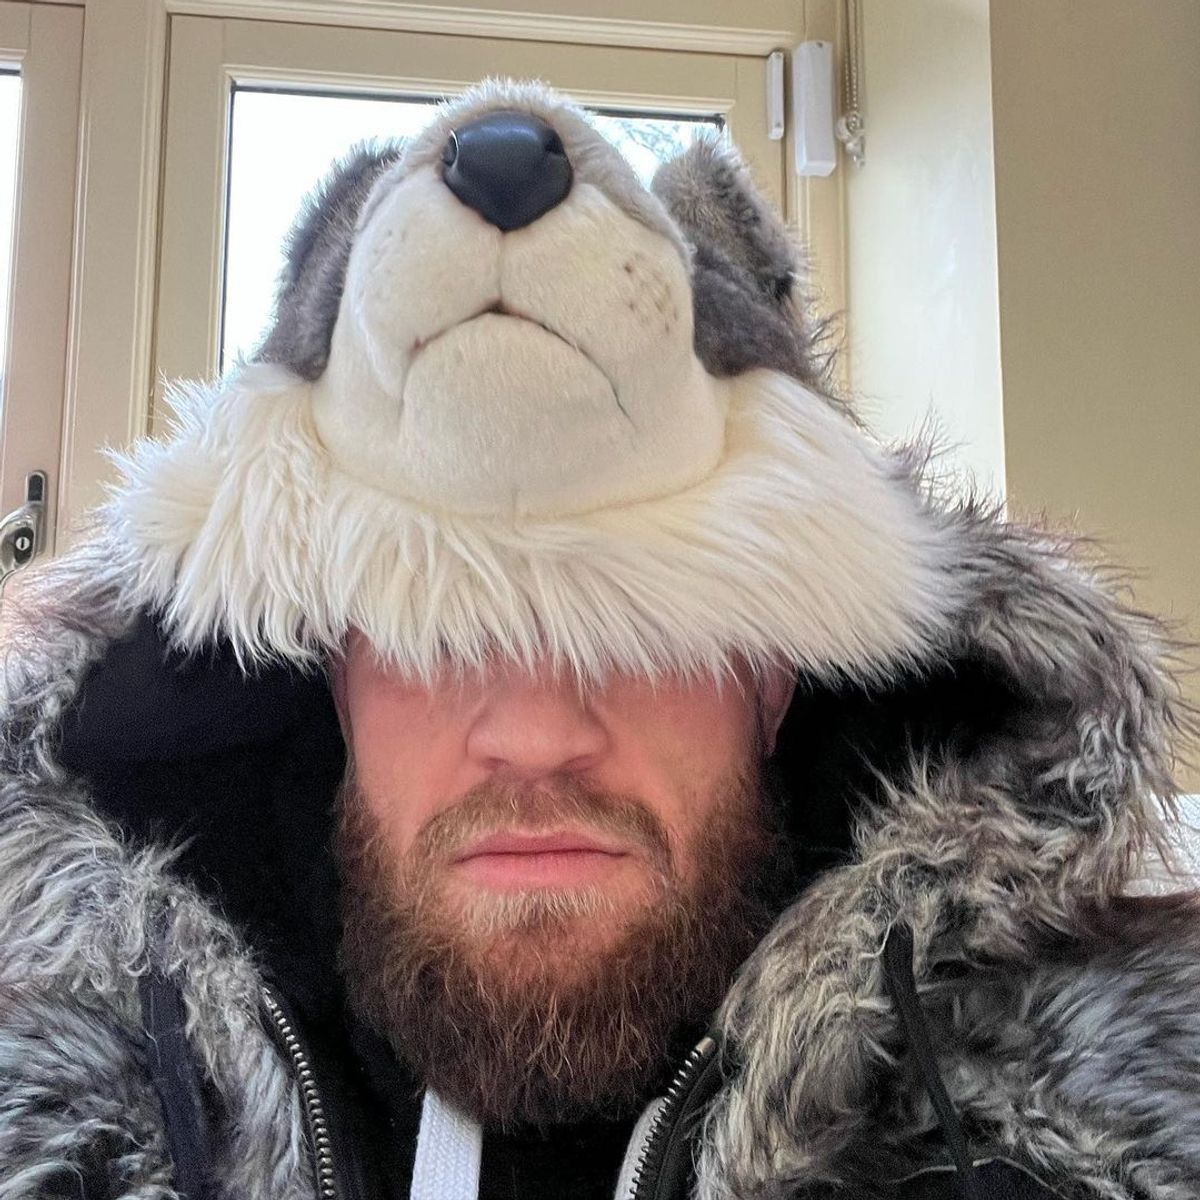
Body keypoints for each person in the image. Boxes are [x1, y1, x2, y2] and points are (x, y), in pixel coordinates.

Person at [1, 79, 1197, 1200]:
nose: (535, 734)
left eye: (644, 627)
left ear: (777, 674)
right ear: (329, 668)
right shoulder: (50, 1113)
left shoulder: (1106, 1126)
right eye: (437, 628)